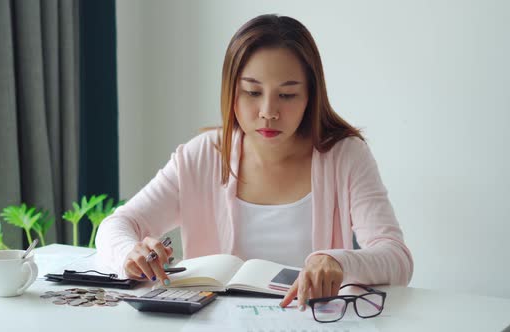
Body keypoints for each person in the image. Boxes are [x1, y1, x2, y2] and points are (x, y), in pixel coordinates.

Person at [96, 14, 413, 311]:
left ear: (310, 96)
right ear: (231, 92)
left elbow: (396, 257)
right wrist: (130, 254)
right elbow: (116, 226)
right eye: (252, 92)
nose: (268, 111)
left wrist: (339, 262)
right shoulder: (201, 157)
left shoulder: (345, 156)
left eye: (287, 95)